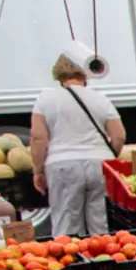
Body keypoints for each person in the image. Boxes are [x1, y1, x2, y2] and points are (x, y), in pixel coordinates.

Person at [30, 53, 125, 236]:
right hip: (99, 165)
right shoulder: (101, 99)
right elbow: (119, 136)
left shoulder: (45, 99)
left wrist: (38, 171)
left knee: (67, 227)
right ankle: (103, 260)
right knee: (101, 226)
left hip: (62, 165)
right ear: (85, 71)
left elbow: (38, 138)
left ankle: (74, 262)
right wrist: (106, 156)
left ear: (58, 75)